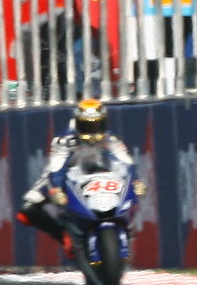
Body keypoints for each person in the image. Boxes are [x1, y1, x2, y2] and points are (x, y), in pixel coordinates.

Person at [15, 99, 144, 247]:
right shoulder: (64, 140)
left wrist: (136, 180)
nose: (93, 130)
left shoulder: (111, 137)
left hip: (101, 175)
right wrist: (56, 188)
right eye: (87, 125)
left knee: (132, 190)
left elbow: (126, 160)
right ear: (78, 123)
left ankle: (126, 227)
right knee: (27, 208)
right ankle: (63, 236)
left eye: (97, 124)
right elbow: (56, 168)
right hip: (65, 177)